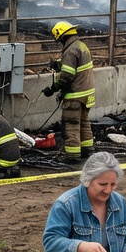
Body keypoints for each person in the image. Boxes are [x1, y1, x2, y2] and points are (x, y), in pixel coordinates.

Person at [42, 21, 95, 163]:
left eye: (59, 39)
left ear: (63, 37)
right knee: (84, 122)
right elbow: (74, 63)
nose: (59, 42)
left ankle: (72, 156)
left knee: (71, 124)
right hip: (87, 94)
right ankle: (87, 151)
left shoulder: (70, 51)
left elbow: (66, 76)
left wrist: (52, 89)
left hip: (75, 95)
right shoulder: (81, 46)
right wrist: (58, 63)